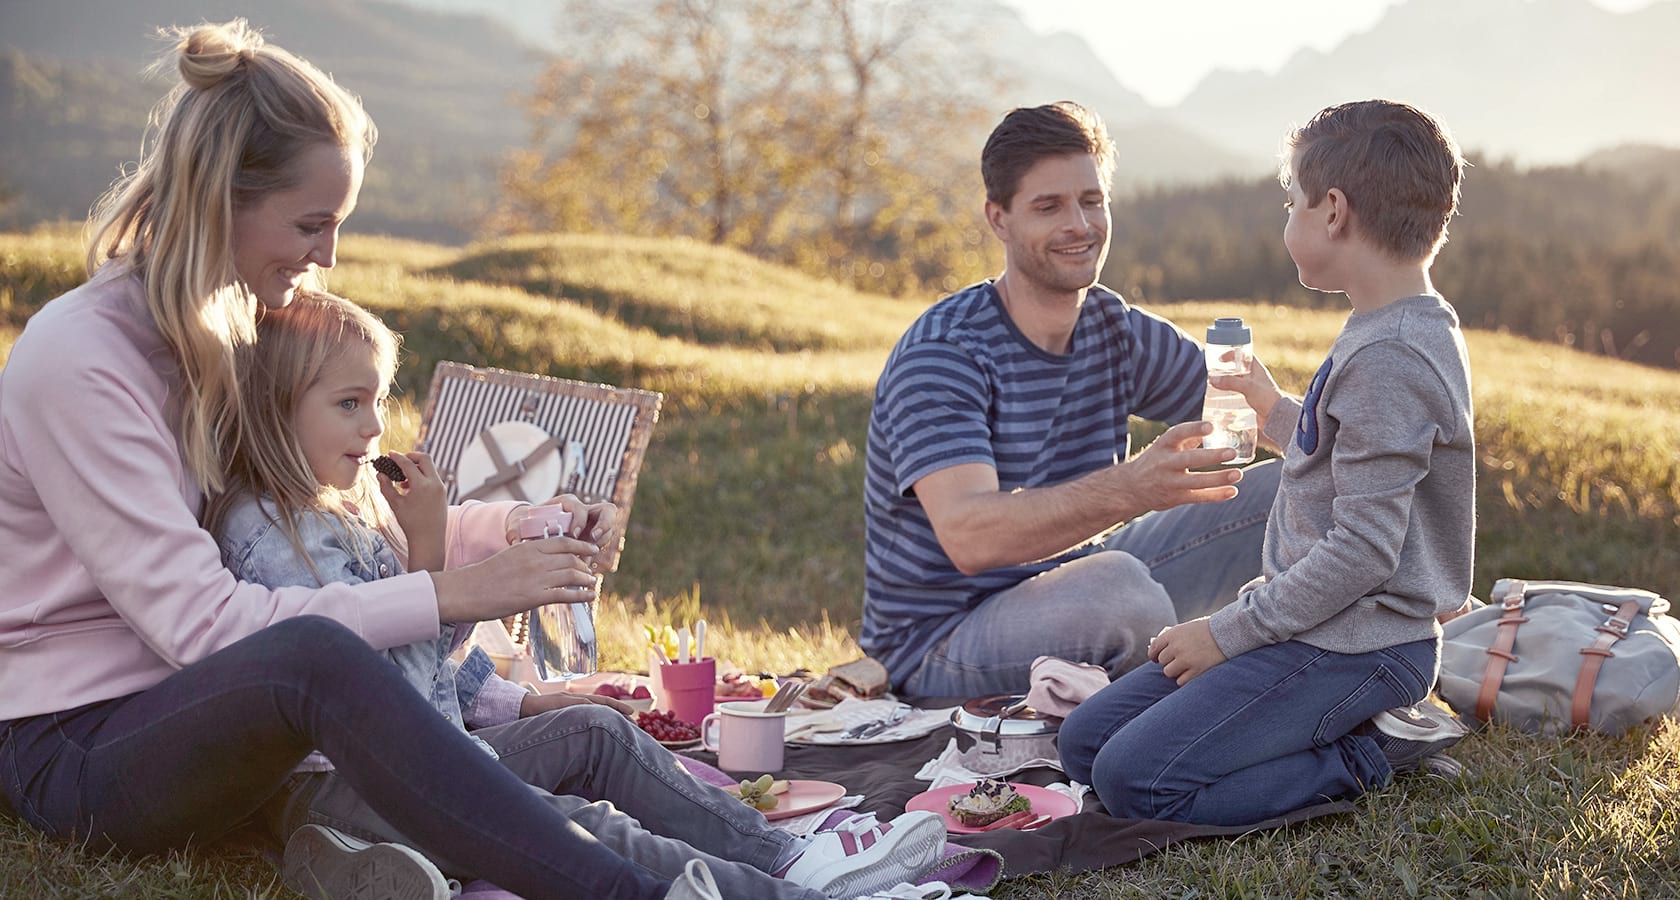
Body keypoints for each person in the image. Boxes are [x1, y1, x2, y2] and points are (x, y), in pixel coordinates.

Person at [0, 20, 942, 900]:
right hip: (83, 747)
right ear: (221, 199)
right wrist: (456, 593)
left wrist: (513, 529)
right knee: (319, 661)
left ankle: (783, 868)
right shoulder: (81, 360)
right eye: (308, 224)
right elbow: (204, 628)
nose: (326, 257)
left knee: (563, 729)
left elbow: (317, 509)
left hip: (225, 724)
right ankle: (636, 890)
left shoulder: (224, 323)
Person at [210, 289, 948, 899]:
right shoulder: (271, 538)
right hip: (347, 784)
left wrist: (525, 701)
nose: (375, 427)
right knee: (569, 820)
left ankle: (792, 856)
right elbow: (390, 705)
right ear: (276, 408)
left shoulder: (337, 513)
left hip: (428, 763)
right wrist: (432, 554)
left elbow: (430, 681)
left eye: (378, 401)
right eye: (348, 404)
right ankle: (797, 894)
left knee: (594, 730)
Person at [1058, 99, 1475, 825]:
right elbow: (1345, 456)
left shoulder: (1391, 355)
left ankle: (1368, 753)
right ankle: (1288, 729)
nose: (1287, 218)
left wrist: (1223, 633)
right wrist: (1275, 407)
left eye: (1292, 203)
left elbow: (1363, 553)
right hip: (1311, 627)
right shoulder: (1384, 323)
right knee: (1086, 741)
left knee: (1133, 782)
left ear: (1334, 212)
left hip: (1361, 646)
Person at [861, 101, 1282, 697]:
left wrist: (1365, 442)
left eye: (1091, 200)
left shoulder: (1114, 327)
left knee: (1296, 489)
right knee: (1120, 593)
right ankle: (1214, 711)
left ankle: (1423, 656)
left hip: (1072, 582)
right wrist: (1134, 486)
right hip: (941, 642)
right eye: (1048, 206)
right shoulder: (944, 353)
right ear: (999, 219)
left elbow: (1262, 412)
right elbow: (972, 538)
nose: (1079, 226)